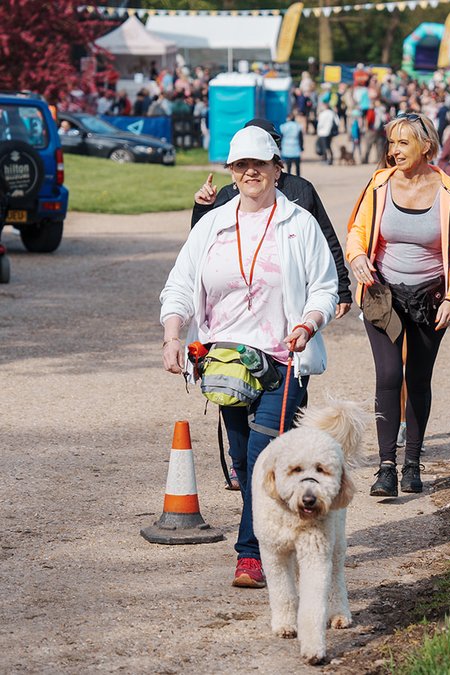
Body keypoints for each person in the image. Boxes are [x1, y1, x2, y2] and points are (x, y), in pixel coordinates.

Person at [160, 125, 339, 588]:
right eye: (241, 165)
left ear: (278, 169)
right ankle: (276, 531)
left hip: (283, 360)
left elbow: (324, 285)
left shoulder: (299, 223)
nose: (251, 172)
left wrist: (308, 322)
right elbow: (180, 284)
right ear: (231, 173)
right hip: (225, 365)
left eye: (260, 164)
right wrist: (173, 335)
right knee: (242, 466)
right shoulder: (213, 224)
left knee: (263, 460)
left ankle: (250, 555)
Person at [345, 113, 450, 497]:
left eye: (403, 142)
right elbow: (357, 231)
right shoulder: (379, 184)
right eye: (391, 143)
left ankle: (412, 463)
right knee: (388, 375)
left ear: (426, 146)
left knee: (417, 379)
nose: (394, 150)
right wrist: (356, 258)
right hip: (382, 293)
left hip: (430, 298)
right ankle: (385, 467)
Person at [192, 118, 352, 322]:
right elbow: (201, 245)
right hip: (240, 297)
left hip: (291, 287)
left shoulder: (300, 188)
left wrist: (342, 287)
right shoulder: (228, 194)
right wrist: (202, 208)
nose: (252, 168)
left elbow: (325, 238)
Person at [279, 112, 303, 177]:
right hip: (296, 147)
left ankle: (289, 177)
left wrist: (280, 147)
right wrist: (301, 147)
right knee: (297, 165)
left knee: (288, 165)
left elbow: (281, 137)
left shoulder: (284, 126)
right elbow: (300, 138)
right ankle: (298, 177)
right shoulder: (298, 126)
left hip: (286, 147)